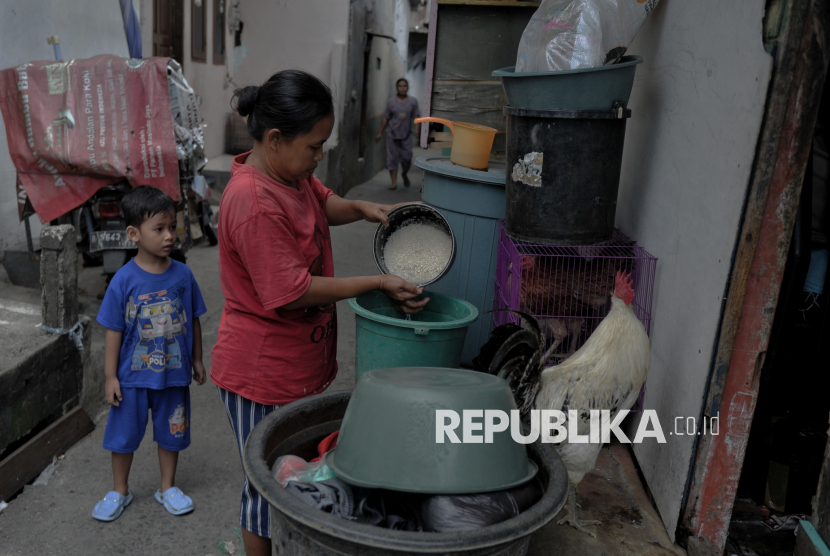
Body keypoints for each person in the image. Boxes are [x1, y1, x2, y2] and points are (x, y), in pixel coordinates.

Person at [211, 69, 428, 556]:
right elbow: (290, 291)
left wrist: (363, 208)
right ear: (273, 139)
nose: (319, 156)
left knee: (295, 479)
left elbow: (322, 201)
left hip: (294, 364)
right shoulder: (254, 202)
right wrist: (376, 281)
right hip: (259, 374)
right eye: (314, 146)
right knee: (265, 491)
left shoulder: (292, 175)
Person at [92, 186, 207, 522]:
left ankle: (167, 487)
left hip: (173, 375)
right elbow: (113, 329)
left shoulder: (183, 276)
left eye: (172, 227)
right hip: (131, 378)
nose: (169, 236)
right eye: (159, 229)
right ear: (134, 234)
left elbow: (193, 320)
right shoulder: (123, 280)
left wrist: (197, 358)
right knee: (123, 436)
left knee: (172, 432)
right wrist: (111, 376)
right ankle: (119, 490)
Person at [375, 78, 420, 190]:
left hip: (406, 136)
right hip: (392, 135)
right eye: (400, 86)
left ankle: (404, 173)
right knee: (392, 159)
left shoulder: (413, 101)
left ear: (408, 87)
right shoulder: (391, 102)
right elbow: (386, 117)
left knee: (407, 158)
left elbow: (416, 116)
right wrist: (379, 132)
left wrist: (417, 129)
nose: (402, 88)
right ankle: (394, 182)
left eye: (404, 86)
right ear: (397, 88)